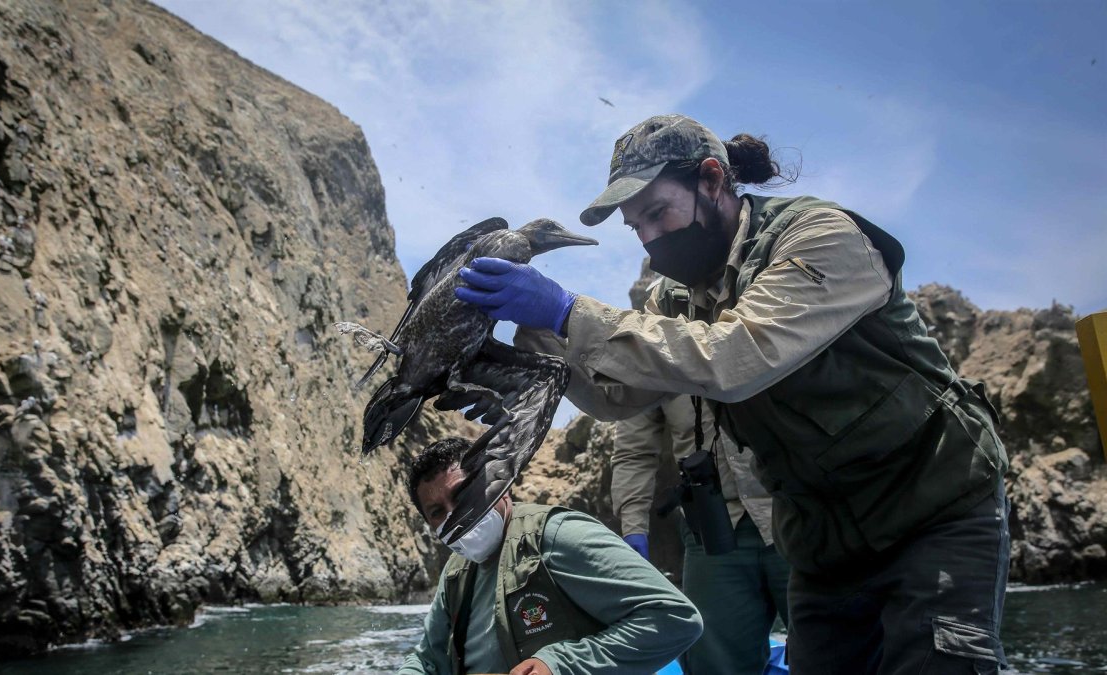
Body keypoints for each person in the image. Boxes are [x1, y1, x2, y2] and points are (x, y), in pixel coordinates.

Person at [451, 114, 1010, 674]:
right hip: (822, 539)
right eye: (635, 226)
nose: (648, 236)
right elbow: (615, 399)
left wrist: (567, 309)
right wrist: (541, 343)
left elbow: (735, 358)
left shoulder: (822, 238)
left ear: (713, 181)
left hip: (931, 510)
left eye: (657, 213)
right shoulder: (679, 295)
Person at [397, 436, 703, 675]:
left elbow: (676, 617)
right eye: (438, 512)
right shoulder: (456, 572)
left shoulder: (555, 534)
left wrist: (558, 665)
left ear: (499, 484)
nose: (455, 514)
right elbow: (428, 660)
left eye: (462, 494)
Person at [613, 395, 790, 674]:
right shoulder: (647, 360)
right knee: (711, 659)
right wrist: (633, 527)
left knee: (836, 645)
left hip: (797, 509)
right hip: (711, 528)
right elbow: (634, 450)